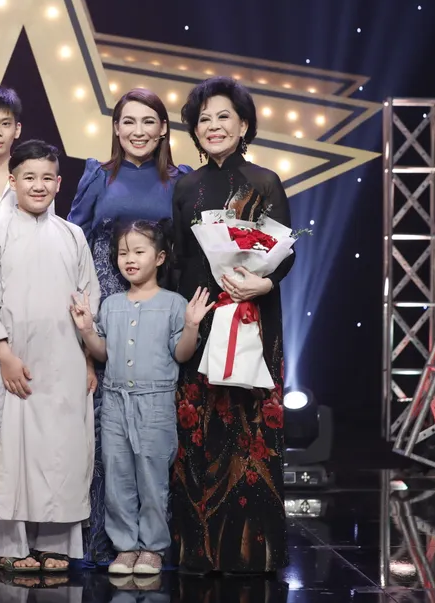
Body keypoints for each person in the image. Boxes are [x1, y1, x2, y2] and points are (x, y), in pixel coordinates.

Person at [169, 76, 294, 575]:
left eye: (224, 117)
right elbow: (180, 258)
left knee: (250, 426)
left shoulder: (265, 181)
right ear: (195, 131)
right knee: (198, 426)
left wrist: (263, 284)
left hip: (253, 315)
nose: (213, 126)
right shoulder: (186, 186)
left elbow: (284, 253)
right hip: (202, 314)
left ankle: (250, 554)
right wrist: (187, 316)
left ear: (244, 125)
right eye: (204, 119)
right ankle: (198, 552)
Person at [67, 87, 191, 565]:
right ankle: (108, 541)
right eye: (128, 122)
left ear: (164, 129)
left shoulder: (180, 181)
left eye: (148, 121)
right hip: (103, 311)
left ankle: (155, 543)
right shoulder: (99, 175)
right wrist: (83, 336)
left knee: (153, 444)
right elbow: (74, 245)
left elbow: (190, 251)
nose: (138, 131)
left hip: (159, 316)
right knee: (108, 441)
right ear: (116, 128)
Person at [0, 139, 98, 574]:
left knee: (62, 449)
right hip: (14, 362)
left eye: (47, 178)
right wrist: (3, 354)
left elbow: (88, 300)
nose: (38, 186)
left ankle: (55, 542)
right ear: (13, 180)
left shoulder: (73, 235)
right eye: (29, 177)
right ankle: (9, 544)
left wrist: (89, 359)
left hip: (65, 360)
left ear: (59, 183)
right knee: (9, 451)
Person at [70, 220, 213, 576]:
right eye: (123, 253)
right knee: (117, 474)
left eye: (138, 251)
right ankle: (125, 548)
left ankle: (151, 549)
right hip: (115, 401)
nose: (129, 259)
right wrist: (87, 330)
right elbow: (103, 353)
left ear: (160, 257)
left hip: (156, 403)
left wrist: (191, 325)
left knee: (152, 477)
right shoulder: (112, 304)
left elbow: (181, 354)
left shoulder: (173, 303)